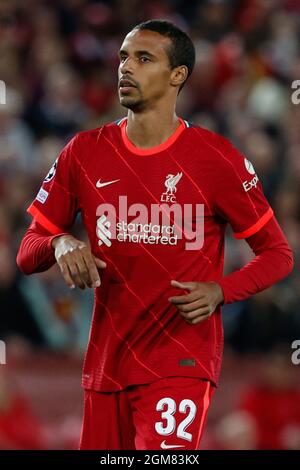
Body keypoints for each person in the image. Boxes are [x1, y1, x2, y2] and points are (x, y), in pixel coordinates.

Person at [16, 20, 293, 450]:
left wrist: (221, 290)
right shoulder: (84, 152)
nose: (126, 68)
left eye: (144, 59)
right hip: (107, 365)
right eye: (124, 57)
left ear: (177, 75)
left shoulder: (215, 159)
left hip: (180, 360)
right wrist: (60, 242)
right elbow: (27, 251)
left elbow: (277, 253)